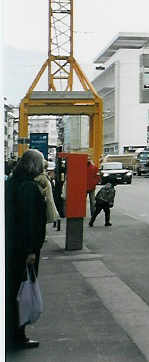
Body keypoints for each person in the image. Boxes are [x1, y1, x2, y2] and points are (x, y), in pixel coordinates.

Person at [5, 149, 48, 349]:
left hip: (11, 245)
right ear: (34, 165)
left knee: (12, 290)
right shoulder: (29, 188)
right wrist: (30, 250)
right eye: (41, 164)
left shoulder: (11, 183)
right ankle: (18, 335)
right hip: (24, 250)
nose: (43, 168)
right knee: (21, 292)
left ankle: (10, 331)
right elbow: (28, 221)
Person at [34, 162, 60, 230]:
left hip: (45, 200)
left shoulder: (43, 177)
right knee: (42, 219)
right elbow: (40, 190)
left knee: (42, 219)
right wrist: (45, 191)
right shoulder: (42, 177)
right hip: (44, 200)